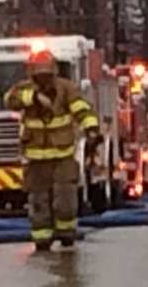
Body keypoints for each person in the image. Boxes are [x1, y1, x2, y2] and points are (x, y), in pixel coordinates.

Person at [5, 50, 101, 251]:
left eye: (46, 73)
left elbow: (81, 108)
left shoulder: (66, 89)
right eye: (39, 74)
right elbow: (10, 100)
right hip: (36, 158)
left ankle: (66, 233)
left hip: (63, 155)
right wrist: (34, 98)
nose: (43, 78)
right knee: (39, 201)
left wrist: (91, 128)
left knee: (65, 198)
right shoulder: (24, 90)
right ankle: (42, 237)